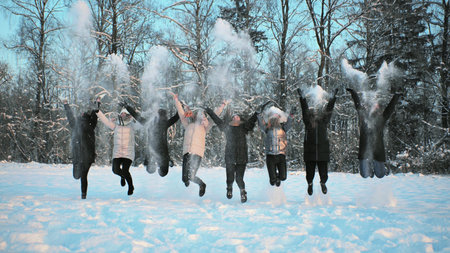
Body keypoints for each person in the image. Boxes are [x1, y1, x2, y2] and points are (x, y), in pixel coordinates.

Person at [169, 92, 227, 197]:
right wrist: (176, 100)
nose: (200, 116)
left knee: (191, 176)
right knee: (184, 178)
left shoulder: (205, 127)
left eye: (202, 115)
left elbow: (215, 115)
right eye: (198, 115)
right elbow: (181, 113)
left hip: (197, 153)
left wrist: (222, 105)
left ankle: (202, 185)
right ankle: (187, 180)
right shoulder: (188, 124)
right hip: (187, 152)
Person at [205, 103, 260, 203]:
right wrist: (209, 111)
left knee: (239, 178)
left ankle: (243, 193)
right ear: (231, 119)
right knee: (230, 177)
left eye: (237, 116)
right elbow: (217, 120)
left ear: (240, 119)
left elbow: (252, 120)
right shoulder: (227, 127)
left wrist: (256, 113)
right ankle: (229, 189)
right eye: (234, 116)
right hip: (230, 156)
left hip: (241, 157)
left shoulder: (244, 127)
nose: (236, 118)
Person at [346, 88, 401, 178]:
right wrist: (353, 93)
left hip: (377, 151)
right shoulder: (363, 118)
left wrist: (396, 97)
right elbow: (358, 105)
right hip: (365, 151)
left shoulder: (380, 119)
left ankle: (384, 167)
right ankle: (369, 169)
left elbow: (389, 110)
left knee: (380, 175)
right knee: (365, 175)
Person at [297, 88, 338, 195]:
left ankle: (323, 183)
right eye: (313, 113)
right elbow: (304, 109)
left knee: (323, 171)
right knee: (309, 172)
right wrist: (302, 98)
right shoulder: (307, 122)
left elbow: (329, 109)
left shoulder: (324, 121)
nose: (315, 114)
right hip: (310, 150)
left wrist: (332, 99)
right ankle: (310, 184)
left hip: (322, 150)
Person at [121, 102, 179, 177]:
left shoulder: (157, 124)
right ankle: (156, 165)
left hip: (159, 152)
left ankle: (158, 166)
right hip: (157, 151)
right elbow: (176, 117)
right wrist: (127, 107)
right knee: (159, 170)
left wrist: (127, 107)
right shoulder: (154, 123)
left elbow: (136, 116)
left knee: (161, 171)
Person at [96, 103, 137, 195]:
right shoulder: (116, 125)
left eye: (124, 113)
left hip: (128, 152)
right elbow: (105, 121)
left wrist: (132, 110)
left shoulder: (132, 125)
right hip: (118, 152)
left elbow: (141, 122)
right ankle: (123, 177)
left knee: (125, 170)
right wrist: (98, 111)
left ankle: (131, 186)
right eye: (121, 113)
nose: (122, 115)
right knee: (115, 170)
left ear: (128, 115)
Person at [63, 98, 99, 199]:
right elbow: (70, 117)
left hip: (88, 155)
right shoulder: (76, 125)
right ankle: (83, 192)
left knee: (83, 175)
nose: (83, 113)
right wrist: (66, 105)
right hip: (77, 154)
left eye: (85, 113)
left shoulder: (91, 124)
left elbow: (95, 115)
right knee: (76, 176)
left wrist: (97, 104)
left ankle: (83, 195)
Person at [258, 105, 294, 187]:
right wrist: (258, 114)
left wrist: (291, 115)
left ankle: (278, 177)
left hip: (281, 155)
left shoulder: (283, 128)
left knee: (283, 177)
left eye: (276, 117)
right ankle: (274, 178)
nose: (275, 119)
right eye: (273, 117)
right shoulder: (267, 129)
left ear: (279, 119)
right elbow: (260, 124)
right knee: (272, 181)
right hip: (270, 156)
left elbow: (289, 122)